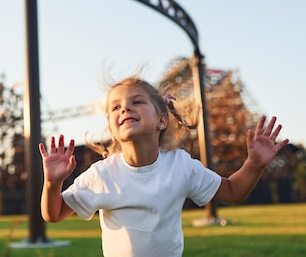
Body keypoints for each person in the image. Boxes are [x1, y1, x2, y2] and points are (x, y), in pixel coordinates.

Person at [39, 76, 289, 257]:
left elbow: (232, 192)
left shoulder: (180, 166)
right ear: (113, 130)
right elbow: (54, 213)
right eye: (116, 107)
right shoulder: (103, 175)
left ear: (161, 120)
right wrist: (52, 183)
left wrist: (254, 164)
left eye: (137, 102)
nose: (125, 107)